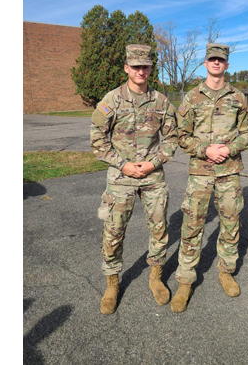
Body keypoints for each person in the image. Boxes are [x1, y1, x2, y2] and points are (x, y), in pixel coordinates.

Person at [90, 44, 178, 315]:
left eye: (145, 66)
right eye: (135, 66)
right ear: (127, 68)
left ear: (151, 68)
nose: (141, 71)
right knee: (114, 231)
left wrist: (153, 162)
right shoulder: (112, 100)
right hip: (121, 177)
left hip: (153, 176)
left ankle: (156, 277)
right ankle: (112, 283)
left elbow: (173, 138)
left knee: (160, 229)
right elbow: (97, 140)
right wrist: (123, 164)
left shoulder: (161, 102)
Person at [170, 43, 248, 313]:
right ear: (205, 63)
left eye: (221, 60)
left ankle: (226, 271)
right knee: (192, 224)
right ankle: (185, 279)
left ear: (227, 65)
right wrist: (205, 150)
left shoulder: (238, 98)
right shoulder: (192, 98)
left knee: (230, 222)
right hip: (200, 172)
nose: (216, 63)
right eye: (212, 59)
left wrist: (229, 149)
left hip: (229, 172)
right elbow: (182, 135)